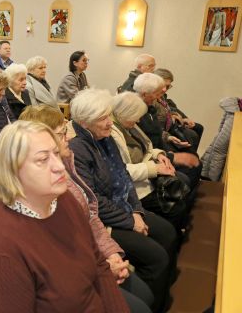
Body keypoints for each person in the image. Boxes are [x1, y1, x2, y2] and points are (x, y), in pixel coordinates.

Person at [0, 120, 129, 312]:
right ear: (13, 170)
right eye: (43, 160)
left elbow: (98, 265)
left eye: (56, 153)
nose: (59, 166)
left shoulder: (63, 199)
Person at [19, 105, 154, 312]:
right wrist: (103, 266)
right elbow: (64, 251)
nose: (68, 137)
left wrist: (112, 253)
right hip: (80, 272)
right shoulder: (43, 188)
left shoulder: (67, 162)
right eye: (61, 133)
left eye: (65, 129)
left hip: (94, 255)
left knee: (145, 295)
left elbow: (90, 215)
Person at [68, 88, 177, 312]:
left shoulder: (105, 138)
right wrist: (129, 221)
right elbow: (93, 201)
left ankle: (160, 297)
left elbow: (124, 176)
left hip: (123, 209)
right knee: (156, 258)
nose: (110, 122)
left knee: (168, 232)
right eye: (103, 118)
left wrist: (136, 211)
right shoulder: (78, 149)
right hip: (105, 221)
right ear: (85, 122)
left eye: (109, 115)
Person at [111, 92, 190, 230]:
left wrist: (159, 155)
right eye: (135, 118)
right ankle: (173, 235)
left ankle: (177, 230)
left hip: (146, 175)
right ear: (123, 114)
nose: (138, 121)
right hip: (133, 188)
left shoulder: (128, 124)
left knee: (181, 187)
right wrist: (155, 168)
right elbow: (121, 171)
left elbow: (146, 148)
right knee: (176, 207)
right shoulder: (112, 134)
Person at [133, 73, 202, 191]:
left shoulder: (150, 107)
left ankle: (185, 194)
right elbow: (144, 145)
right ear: (144, 94)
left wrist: (168, 140)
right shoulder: (136, 112)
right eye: (156, 93)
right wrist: (169, 155)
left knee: (194, 158)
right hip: (151, 157)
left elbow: (157, 132)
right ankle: (180, 195)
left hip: (160, 150)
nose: (159, 96)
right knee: (192, 167)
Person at [154, 68, 204, 150]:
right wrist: (168, 137)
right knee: (191, 137)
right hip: (163, 135)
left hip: (169, 128)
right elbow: (153, 127)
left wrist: (175, 115)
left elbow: (167, 109)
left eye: (168, 86)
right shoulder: (151, 100)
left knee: (196, 131)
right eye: (163, 85)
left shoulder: (161, 96)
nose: (165, 89)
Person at [201, 97, 241, 181]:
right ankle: (209, 178)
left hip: (235, 120)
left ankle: (209, 177)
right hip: (234, 119)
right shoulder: (233, 106)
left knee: (217, 150)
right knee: (217, 150)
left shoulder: (232, 106)